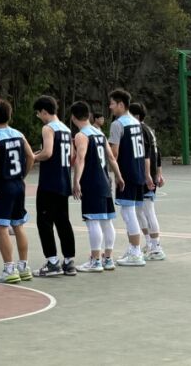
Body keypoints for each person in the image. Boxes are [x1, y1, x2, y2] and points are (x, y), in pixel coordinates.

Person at [0, 99, 36, 284]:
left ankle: (9, 269)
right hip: (18, 184)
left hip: (3, 185)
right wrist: (23, 175)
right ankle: (24, 267)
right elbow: (31, 156)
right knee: (18, 225)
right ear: (9, 115)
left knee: (2, 227)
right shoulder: (18, 134)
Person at [70, 100, 124, 273]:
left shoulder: (81, 135)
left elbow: (81, 158)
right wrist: (118, 176)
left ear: (73, 117)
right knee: (107, 221)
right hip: (105, 181)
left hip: (92, 182)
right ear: (89, 115)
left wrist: (76, 180)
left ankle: (95, 260)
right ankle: (108, 258)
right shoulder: (99, 134)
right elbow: (111, 158)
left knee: (93, 221)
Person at [107, 88, 155, 266]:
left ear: (121, 104)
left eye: (112, 103)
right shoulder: (136, 123)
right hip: (138, 171)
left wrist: (113, 171)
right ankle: (133, 248)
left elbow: (114, 153)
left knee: (128, 213)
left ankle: (135, 251)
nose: (110, 106)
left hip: (126, 172)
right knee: (131, 211)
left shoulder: (117, 124)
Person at [31, 94, 77, 277]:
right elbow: (71, 156)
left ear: (44, 111)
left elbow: (48, 152)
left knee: (44, 222)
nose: (39, 117)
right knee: (63, 221)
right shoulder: (66, 129)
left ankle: (52, 262)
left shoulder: (48, 128)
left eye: (38, 113)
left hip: (49, 182)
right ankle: (69, 261)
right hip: (64, 181)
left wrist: (33, 157)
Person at [129, 102, 165, 261]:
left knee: (148, 210)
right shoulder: (148, 129)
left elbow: (148, 155)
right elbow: (158, 153)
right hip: (147, 174)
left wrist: (149, 175)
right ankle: (150, 243)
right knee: (139, 211)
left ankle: (156, 247)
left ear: (136, 116)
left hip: (145, 175)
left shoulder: (140, 130)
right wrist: (159, 173)